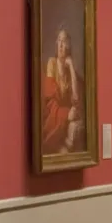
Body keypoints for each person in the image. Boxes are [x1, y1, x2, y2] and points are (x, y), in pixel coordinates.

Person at [40, 26, 84, 154]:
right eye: (58, 40)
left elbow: (76, 100)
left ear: (68, 46)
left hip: (65, 118)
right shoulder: (52, 63)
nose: (60, 45)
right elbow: (49, 100)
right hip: (53, 117)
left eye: (64, 41)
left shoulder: (71, 72)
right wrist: (67, 114)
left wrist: (71, 68)